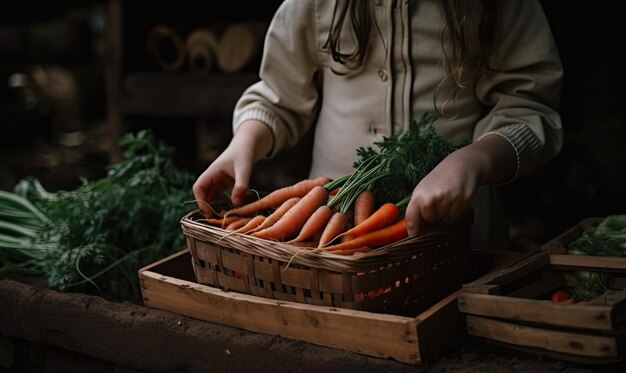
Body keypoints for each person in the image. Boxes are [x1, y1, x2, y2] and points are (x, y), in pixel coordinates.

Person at [193, 0, 563, 251]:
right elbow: (279, 95)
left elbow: (528, 106)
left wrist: (472, 161)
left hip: (458, 233)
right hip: (329, 233)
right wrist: (243, 143)